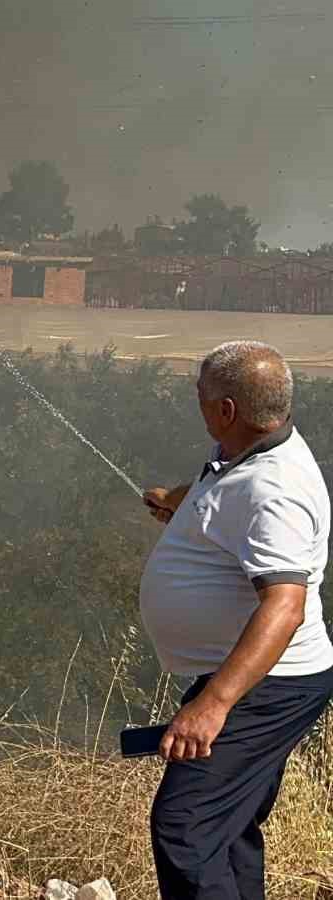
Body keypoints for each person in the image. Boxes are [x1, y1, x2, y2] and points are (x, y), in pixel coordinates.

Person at [140, 340, 333, 900]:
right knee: (227, 830)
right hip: (258, 680)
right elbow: (228, 498)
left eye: (201, 396)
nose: (196, 404)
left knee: (186, 831)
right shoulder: (248, 449)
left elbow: (285, 605)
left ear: (227, 410)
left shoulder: (274, 490)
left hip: (266, 687)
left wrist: (213, 705)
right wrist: (181, 501)